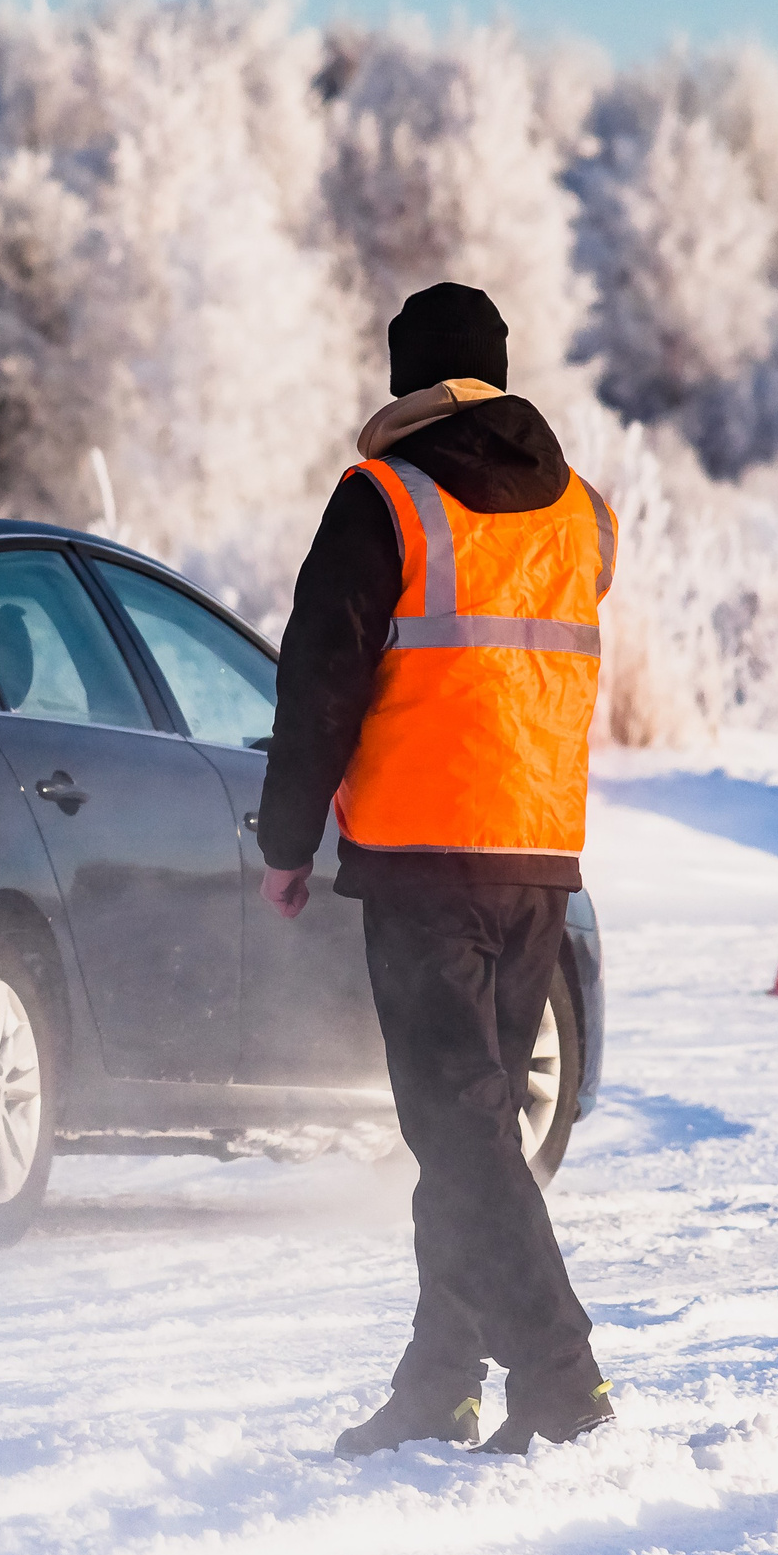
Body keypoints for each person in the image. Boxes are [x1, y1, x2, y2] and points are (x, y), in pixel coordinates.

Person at [257, 282, 618, 1458]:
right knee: (469, 1133)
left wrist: (285, 838)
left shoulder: (384, 501)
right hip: (539, 862)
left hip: (422, 856)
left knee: (460, 1137)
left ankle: (561, 1376)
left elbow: (321, 674)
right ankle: (441, 1383)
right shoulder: (581, 514)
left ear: (407, 381)